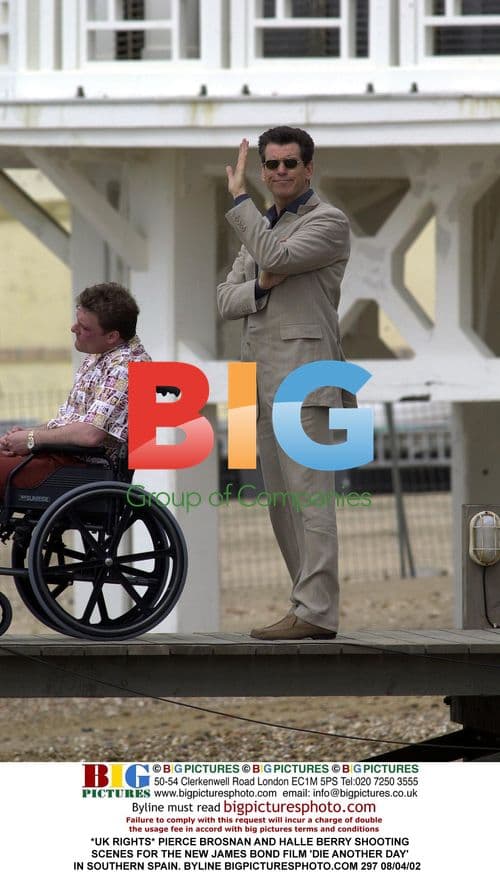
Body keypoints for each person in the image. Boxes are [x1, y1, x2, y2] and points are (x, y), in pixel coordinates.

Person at [217, 126, 354, 640]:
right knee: (280, 501)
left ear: (309, 168)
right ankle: (306, 607)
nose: (278, 172)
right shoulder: (262, 230)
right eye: (270, 165)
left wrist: (239, 199)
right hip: (254, 380)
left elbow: (275, 257)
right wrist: (258, 284)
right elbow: (225, 300)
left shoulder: (330, 222)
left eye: (288, 164)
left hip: (308, 380)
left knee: (311, 500)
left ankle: (317, 610)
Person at [0, 282, 150, 496]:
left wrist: (32, 438)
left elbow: (90, 434)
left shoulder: (126, 368)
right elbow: (71, 422)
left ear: (111, 336)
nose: (73, 328)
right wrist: (25, 435)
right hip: (63, 459)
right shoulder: (100, 355)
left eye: (85, 327)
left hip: (81, 470)